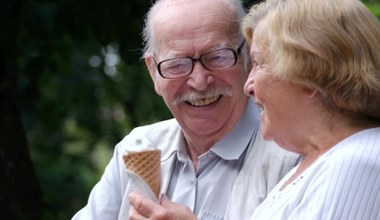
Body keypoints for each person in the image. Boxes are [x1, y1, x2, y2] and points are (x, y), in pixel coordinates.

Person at [72, 0, 301, 219]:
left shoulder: (293, 156)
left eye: (217, 57)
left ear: (248, 57)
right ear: (153, 72)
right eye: (177, 64)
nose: (200, 81)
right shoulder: (135, 149)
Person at [241, 0, 380, 219]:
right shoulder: (327, 158)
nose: (248, 86)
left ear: (310, 75)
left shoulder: (354, 162)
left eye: (259, 64)